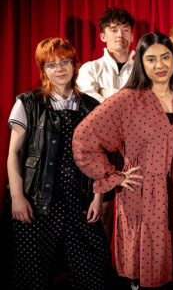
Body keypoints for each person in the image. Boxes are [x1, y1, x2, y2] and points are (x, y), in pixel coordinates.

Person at [72, 32, 173, 288]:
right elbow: (83, 139)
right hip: (141, 197)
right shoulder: (127, 100)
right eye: (151, 59)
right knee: (141, 274)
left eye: (165, 57)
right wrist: (113, 176)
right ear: (140, 62)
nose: (160, 65)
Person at [7, 37, 111, 289]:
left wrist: (98, 197)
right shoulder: (28, 103)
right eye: (51, 65)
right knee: (31, 272)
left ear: (75, 64)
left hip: (81, 200)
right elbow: (15, 154)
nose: (60, 69)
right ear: (43, 69)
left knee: (93, 272)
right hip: (38, 200)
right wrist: (17, 197)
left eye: (65, 62)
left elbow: (100, 157)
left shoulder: (91, 106)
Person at [76, 6, 135, 242]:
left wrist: (106, 93)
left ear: (132, 35)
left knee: (133, 214)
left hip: (134, 150)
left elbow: (148, 105)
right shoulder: (90, 68)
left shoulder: (143, 67)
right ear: (103, 36)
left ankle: (129, 275)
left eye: (125, 29)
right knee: (102, 217)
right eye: (113, 29)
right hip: (99, 152)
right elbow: (90, 107)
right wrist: (125, 99)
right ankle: (103, 275)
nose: (120, 34)